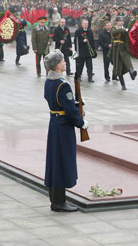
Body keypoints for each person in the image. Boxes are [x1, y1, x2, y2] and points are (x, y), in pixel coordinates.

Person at [43, 49, 88, 212]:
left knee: (54, 162)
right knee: (62, 162)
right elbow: (69, 111)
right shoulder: (63, 85)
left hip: (54, 124)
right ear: (56, 66)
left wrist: (76, 104)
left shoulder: (49, 82)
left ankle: (55, 200)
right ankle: (60, 202)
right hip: (63, 128)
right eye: (62, 61)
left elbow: (58, 103)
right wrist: (81, 122)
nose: (65, 63)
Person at [111, 17, 137, 90]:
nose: (121, 22)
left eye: (122, 21)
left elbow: (127, 40)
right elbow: (113, 33)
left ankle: (132, 74)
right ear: (116, 22)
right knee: (119, 68)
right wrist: (124, 30)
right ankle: (123, 85)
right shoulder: (114, 28)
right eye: (119, 21)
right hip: (116, 50)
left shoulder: (126, 29)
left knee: (128, 62)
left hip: (123, 49)